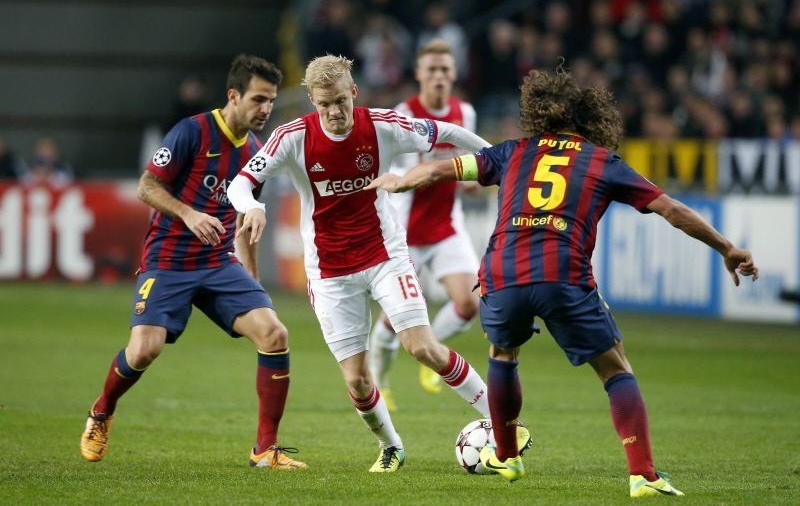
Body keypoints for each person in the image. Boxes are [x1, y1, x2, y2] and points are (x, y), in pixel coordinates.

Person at [365, 66, 759, 494]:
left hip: (503, 271)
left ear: (539, 115)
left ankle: (507, 456)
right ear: (593, 120)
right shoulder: (602, 161)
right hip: (562, 272)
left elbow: (441, 169)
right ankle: (643, 475)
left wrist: (401, 181)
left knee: (502, 353)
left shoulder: (513, 151)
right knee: (615, 368)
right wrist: (726, 248)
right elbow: (672, 210)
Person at [227, 55, 531, 472]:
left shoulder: (383, 125)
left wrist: (500, 161)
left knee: (422, 347)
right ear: (312, 101)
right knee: (356, 379)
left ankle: (504, 425)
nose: (334, 112)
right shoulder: (291, 137)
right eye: (324, 104)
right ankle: (392, 447)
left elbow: (446, 131)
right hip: (329, 271)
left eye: (340, 101)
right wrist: (252, 206)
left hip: (385, 255)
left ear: (353, 92)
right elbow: (241, 184)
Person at [80, 54, 308, 470]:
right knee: (144, 350)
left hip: (218, 262)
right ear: (233, 95)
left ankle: (265, 449)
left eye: (271, 100)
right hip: (168, 260)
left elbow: (244, 222)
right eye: (258, 99)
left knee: (274, 334)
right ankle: (102, 410)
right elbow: (147, 186)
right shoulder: (192, 131)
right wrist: (188, 214)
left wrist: (253, 283)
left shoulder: (256, 151)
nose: (266, 109)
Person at [368, 38, 481, 409]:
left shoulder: (465, 113)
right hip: (405, 231)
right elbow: (398, 171)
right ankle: (380, 382)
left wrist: (472, 180)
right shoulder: (403, 114)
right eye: (431, 69)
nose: (438, 76)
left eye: (444, 69)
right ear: (418, 73)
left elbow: (469, 162)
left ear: (454, 73)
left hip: (446, 226)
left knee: (469, 302)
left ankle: (434, 355)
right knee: (393, 319)